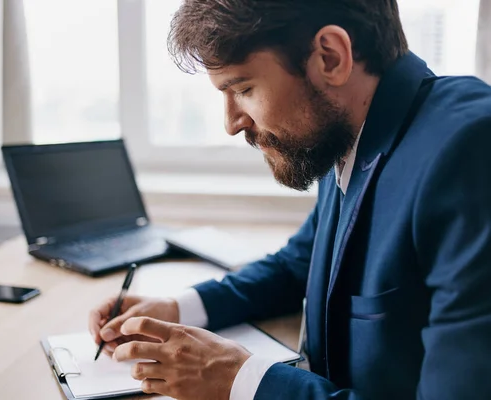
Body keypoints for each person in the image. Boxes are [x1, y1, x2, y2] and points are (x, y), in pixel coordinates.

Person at [89, 1, 491, 399]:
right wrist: (178, 309)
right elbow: (297, 264)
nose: (231, 123)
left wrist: (242, 381)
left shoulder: (469, 151)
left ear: (330, 58)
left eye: (243, 88)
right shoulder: (346, 130)